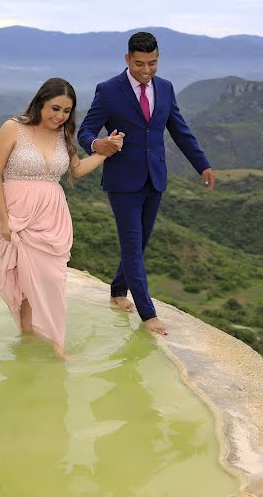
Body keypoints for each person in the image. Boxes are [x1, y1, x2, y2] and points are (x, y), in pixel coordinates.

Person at [77, 32, 215, 336]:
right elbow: (85, 130)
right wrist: (97, 144)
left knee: (139, 244)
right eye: (139, 63)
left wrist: (202, 164)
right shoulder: (109, 90)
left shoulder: (165, 89)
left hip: (156, 178)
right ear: (127, 59)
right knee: (131, 245)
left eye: (152, 63)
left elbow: (180, 131)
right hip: (123, 181)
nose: (146, 70)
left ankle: (117, 290)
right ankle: (147, 311)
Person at [0, 77, 123, 358]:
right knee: (21, 281)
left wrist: (106, 151)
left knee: (52, 278)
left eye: (66, 111)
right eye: (55, 108)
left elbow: (77, 169)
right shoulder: (13, 128)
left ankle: (57, 345)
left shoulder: (63, 136)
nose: (60, 116)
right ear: (41, 103)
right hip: (14, 213)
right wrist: (4, 220)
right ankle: (28, 335)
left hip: (51, 218)